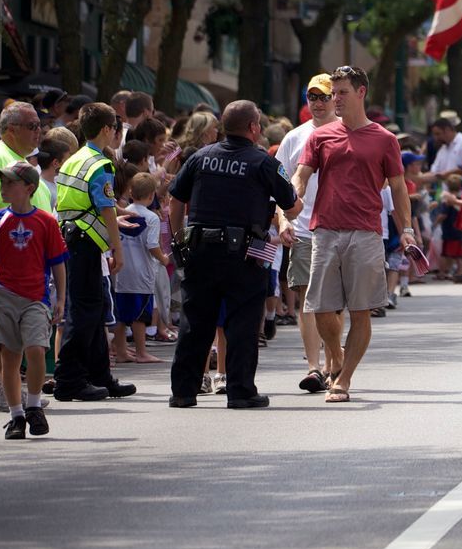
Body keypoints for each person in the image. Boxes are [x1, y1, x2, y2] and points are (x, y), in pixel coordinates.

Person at [292, 66, 412, 404]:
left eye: (341, 92)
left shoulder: (384, 139)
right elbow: (301, 174)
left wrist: (407, 230)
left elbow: (400, 189)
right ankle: (336, 354)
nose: (335, 99)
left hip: (365, 233)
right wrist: (294, 195)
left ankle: (343, 379)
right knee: (319, 307)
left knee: (360, 311)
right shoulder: (321, 136)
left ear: (361, 92)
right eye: (333, 93)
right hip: (325, 230)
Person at [167, 101, 298, 409]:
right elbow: (291, 203)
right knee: (242, 322)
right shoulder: (262, 161)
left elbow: (175, 199)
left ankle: (183, 392)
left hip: (199, 249)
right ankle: (240, 391)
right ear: (253, 128)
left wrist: (178, 239)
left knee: (195, 321)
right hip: (244, 255)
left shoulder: (200, 157)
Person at [0, 165, 67, 439]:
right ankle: (16, 415)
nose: (3, 187)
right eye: (1, 182)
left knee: (36, 349)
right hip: (3, 295)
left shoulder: (46, 221)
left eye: (10, 182)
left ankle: (34, 406)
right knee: (10, 358)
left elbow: (58, 263)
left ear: (29, 188)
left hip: (36, 296)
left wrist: (60, 298)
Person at [0, 103, 53, 412]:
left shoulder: (19, 161)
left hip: (28, 257)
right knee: (6, 325)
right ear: (11, 129)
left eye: (39, 126)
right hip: (4, 258)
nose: (39, 132)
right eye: (32, 126)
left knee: (14, 326)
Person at [52, 102, 133, 403]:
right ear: (106, 129)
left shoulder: (75, 159)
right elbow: (106, 208)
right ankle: (69, 380)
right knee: (84, 312)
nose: (116, 133)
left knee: (94, 310)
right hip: (86, 243)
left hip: (76, 240)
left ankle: (100, 376)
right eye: (114, 127)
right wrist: (118, 247)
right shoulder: (100, 164)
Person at [276, 73, 338, 394]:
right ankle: (314, 367)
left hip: (338, 229)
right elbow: (281, 187)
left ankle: (332, 362)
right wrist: (283, 220)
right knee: (307, 301)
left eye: (323, 96)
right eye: (312, 97)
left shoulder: (348, 132)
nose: (317, 103)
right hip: (302, 230)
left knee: (334, 302)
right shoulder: (294, 138)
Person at [111, 172, 166, 366]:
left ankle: (121, 351)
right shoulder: (151, 218)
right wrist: (164, 258)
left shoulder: (121, 212)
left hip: (121, 273)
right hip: (142, 274)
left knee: (120, 314)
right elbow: (152, 245)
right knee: (140, 315)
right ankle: (142, 352)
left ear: (131, 192)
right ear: (152, 195)